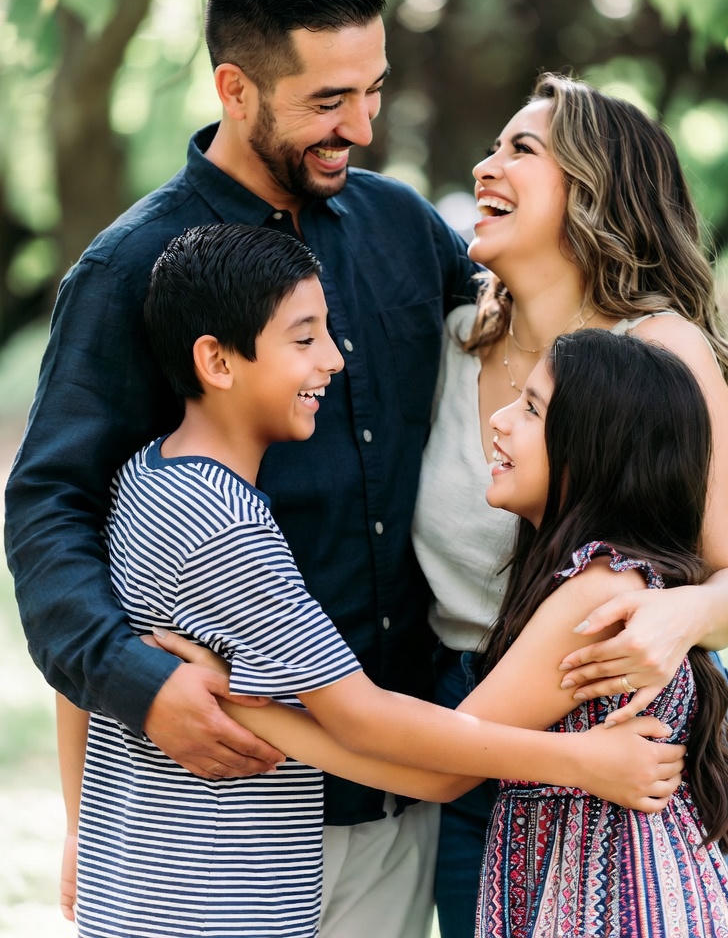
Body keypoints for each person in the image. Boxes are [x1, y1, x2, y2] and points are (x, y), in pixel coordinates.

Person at [6, 0, 476, 938]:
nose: (359, 126)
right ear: (235, 87)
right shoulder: (129, 269)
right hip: (214, 810)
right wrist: (142, 681)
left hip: (398, 801)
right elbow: (51, 513)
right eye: (326, 101)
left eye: (374, 91)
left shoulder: (405, 233)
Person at [57, 224, 685, 937]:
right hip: (211, 898)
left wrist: (93, 815)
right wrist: (580, 761)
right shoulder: (227, 527)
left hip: (146, 883)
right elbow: (360, 717)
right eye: (305, 339)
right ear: (217, 362)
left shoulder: (145, 476)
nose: (333, 359)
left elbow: (78, 670)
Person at [411, 74, 728, 936]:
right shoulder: (448, 342)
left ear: (595, 190)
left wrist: (676, 617)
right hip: (469, 719)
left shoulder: (659, 351)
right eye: (492, 146)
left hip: (633, 727)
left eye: (520, 149)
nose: (486, 164)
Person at [473, 328, 728, 936]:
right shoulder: (609, 578)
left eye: (530, 407)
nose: (498, 421)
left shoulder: (600, 594)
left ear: (595, 451)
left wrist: (266, 711)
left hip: (598, 906)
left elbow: (439, 763)